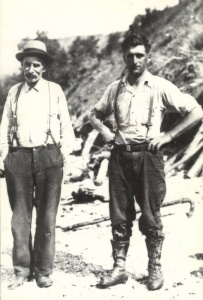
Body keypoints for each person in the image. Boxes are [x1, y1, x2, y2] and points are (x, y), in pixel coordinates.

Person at [89, 32, 203, 290]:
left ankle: (154, 267)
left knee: (151, 213)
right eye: (130, 55)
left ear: (148, 57)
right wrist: (106, 132)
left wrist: (169, 135)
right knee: (119, 213)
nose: (135, 60)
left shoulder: (161, 86)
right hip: (119, 157)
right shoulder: (114, 88)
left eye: (140, 55)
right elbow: (94, 115)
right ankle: (119, 267)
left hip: (149, 157)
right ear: (124, 58)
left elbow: (196, 111)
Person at [0, 40, 75, 289]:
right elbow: (4, 126)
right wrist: (3, 156)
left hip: (48, 156)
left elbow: (66, 126)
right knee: (19, 218)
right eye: (26, 65)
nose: (30, 70)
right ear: (22, 67)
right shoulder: (14, 92)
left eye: (35, 65)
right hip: (19, 157)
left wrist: (63, 155)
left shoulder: (55, 91)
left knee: (46, 218)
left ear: (44, 68)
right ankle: (22, 270)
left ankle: (43, 270)